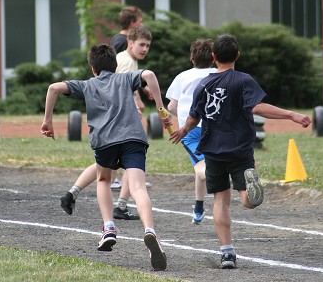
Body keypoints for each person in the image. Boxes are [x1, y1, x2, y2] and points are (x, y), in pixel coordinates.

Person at [170, 34, 311, 269]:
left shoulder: (203, 84)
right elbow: (258, 107)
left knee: (220, 201)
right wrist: (291, 115)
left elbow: (194, 117)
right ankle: (249, 192)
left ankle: (227, 253)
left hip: (213, 150)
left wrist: (183, 130)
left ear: (213, 57)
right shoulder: (243, 80)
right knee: (246, 201)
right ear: (238, 55)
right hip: (241, 149)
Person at [41, 43, 170, 270]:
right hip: (133, 138)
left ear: (93, 68)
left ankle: (109, 227)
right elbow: (149, 74)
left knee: (103, 179)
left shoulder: (87, 85)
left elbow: (53, 88)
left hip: (104, 141)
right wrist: (161, 109)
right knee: (139, 188)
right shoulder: (125, 79)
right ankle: (150, 231)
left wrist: (47, 121)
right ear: (116, 65)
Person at [59, 26, 154, 221]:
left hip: (107, 132)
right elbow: (116, 90)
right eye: (141, 44)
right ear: (130, 42)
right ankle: (121, 206)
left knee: (103, 166)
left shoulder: (128, 61)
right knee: (129, 167)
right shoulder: (126, 62)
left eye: (147, 46)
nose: (145, 49)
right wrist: (136, 106)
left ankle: (73, 192)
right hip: (123, 123)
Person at [165, 38, 217, 225]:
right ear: (213, 58)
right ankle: (198, 207)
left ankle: (224, 175)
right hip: (216, 127)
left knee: (202, 170)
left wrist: (180, 113)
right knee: (200, 168)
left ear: (192, 58)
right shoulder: (218, 74)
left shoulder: (183, 76)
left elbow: (172, 105)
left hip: (191, 129)